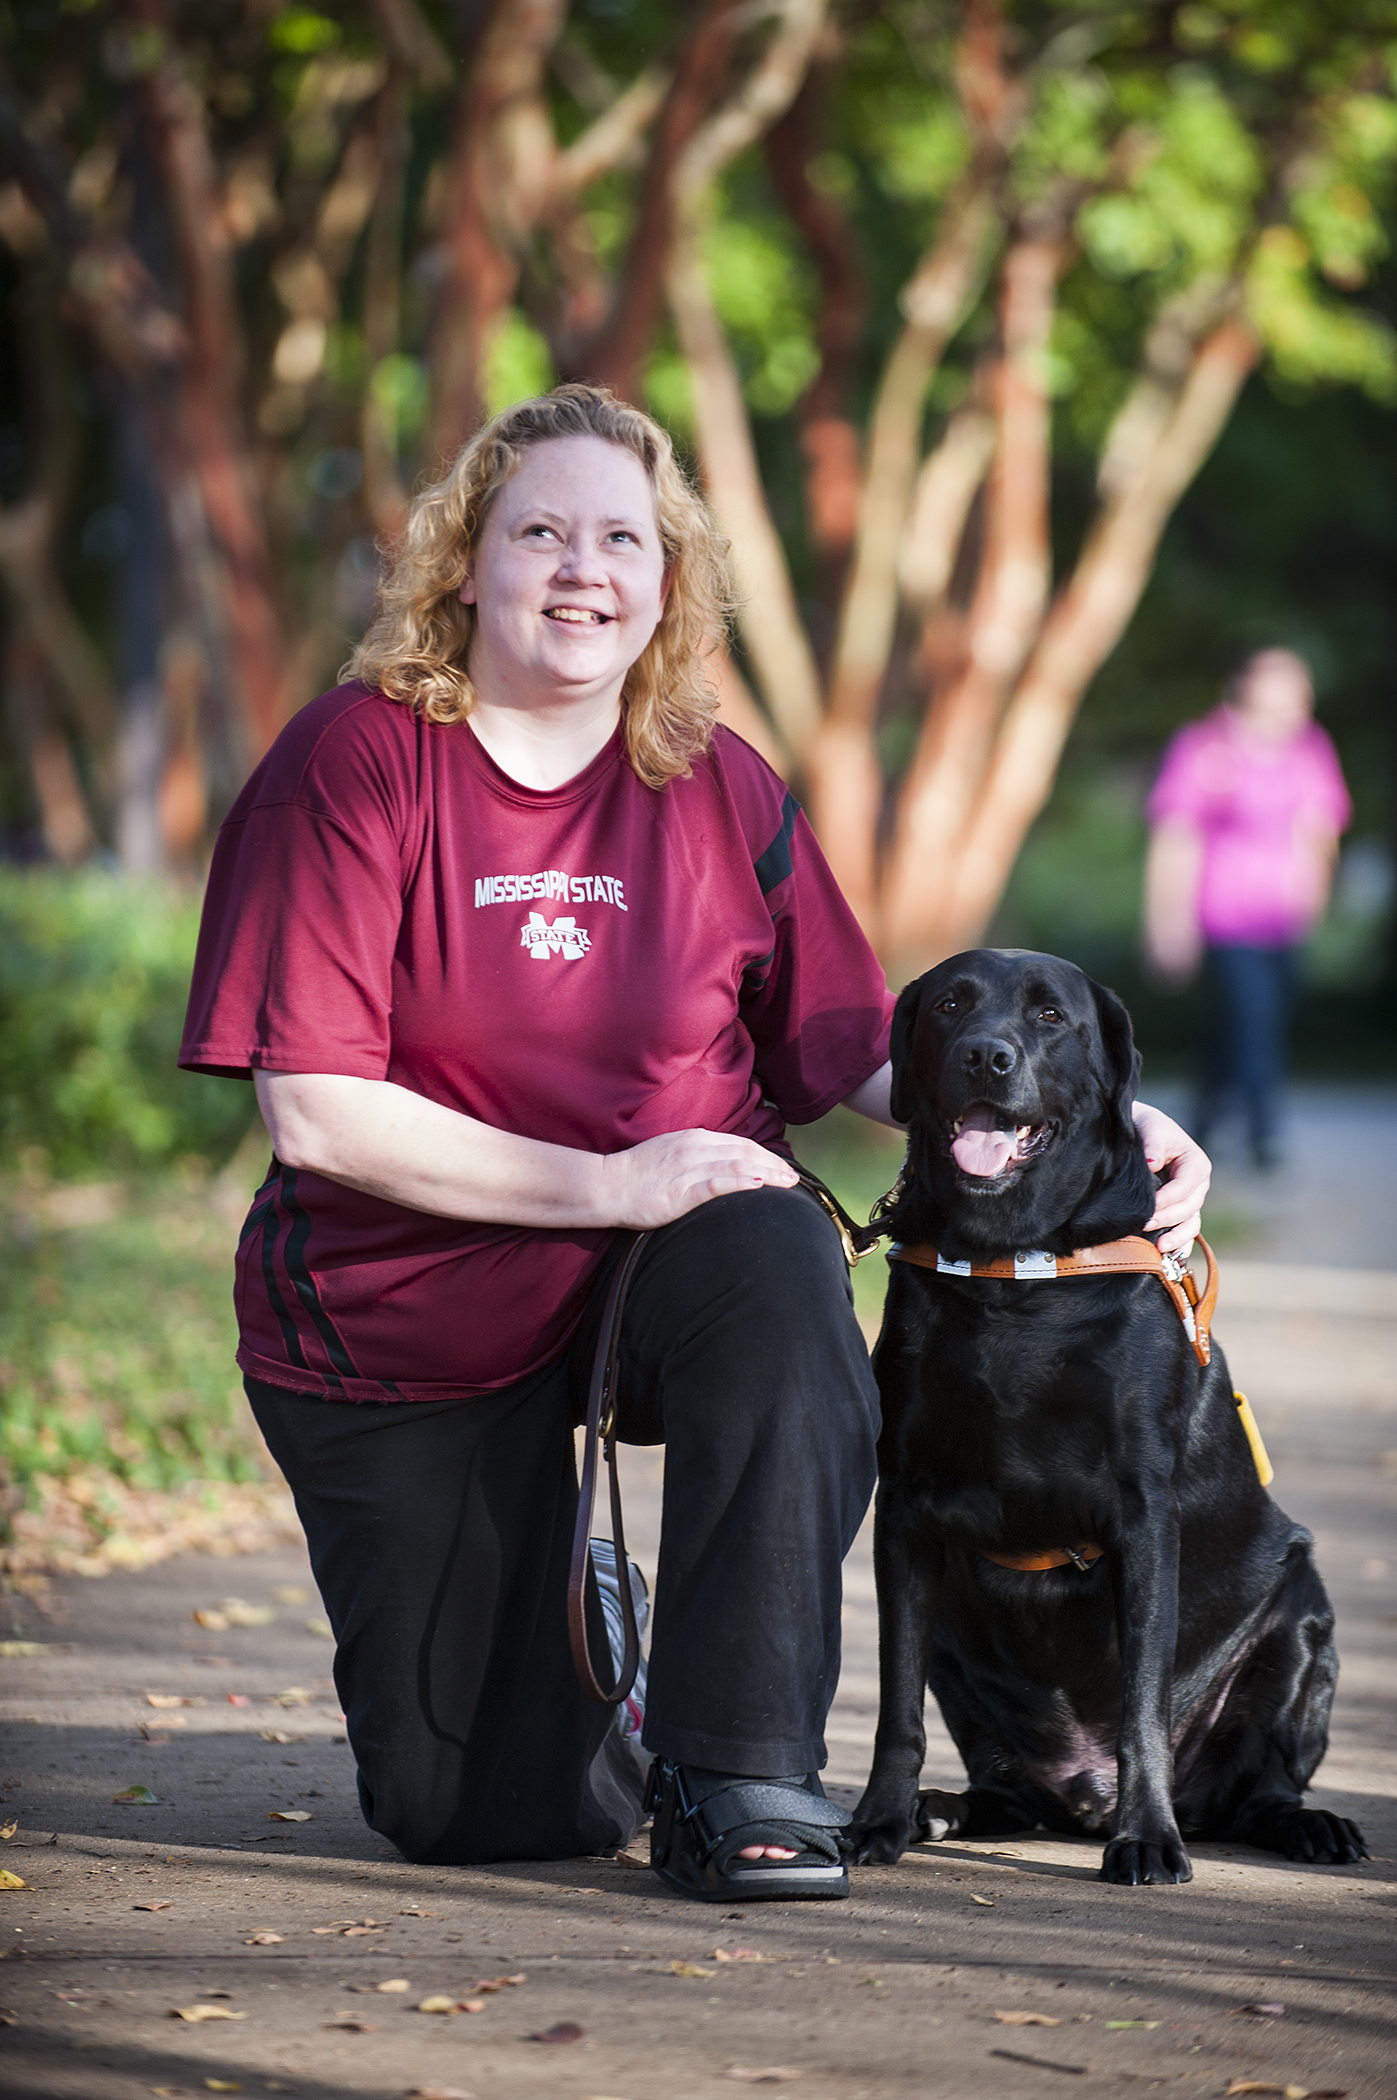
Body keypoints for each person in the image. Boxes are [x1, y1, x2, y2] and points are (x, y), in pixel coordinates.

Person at [180, 385, 1210, 1899]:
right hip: (408, 1316)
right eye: (539, 531)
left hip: (676, 1266)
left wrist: (1115, 1123)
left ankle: (742, 1773)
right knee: (485, 1812)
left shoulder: (714, 780)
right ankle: (602, 1668)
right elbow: (316, 1111)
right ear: (466, 566)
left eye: (622, 537)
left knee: (779, 1259)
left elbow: (858, 1046)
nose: (581, 566)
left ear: (668, 580)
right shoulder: (356, 763)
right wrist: (605, 1181)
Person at [1144, 648, 1351, 1168]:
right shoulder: (1204, 746)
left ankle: (1201, 1126)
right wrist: (1168, 920)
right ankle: (1265, 1138)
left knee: (1237, 1025)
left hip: (1284, 918)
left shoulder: (1310, 748)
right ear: (1249, 687)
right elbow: (1176, 837)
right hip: (1222, 914)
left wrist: (1318, 893)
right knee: (1253, 1018)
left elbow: (1320, 827)